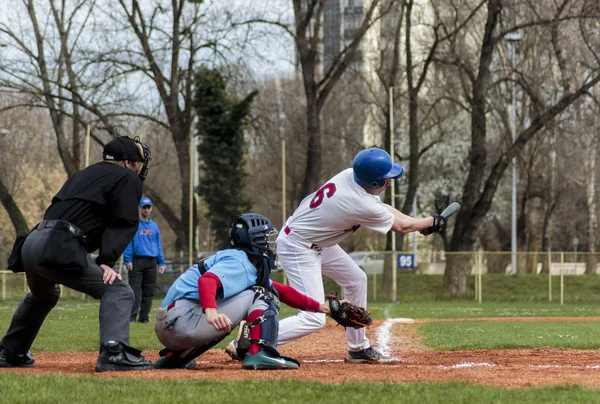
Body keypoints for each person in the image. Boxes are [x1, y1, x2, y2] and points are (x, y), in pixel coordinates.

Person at [274, 148, 447, 363]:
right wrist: (430, 221)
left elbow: (383, 208)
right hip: (298, 246)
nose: (389, 182)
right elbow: (401, 227)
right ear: (373, 183)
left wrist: (419, 223)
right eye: (385, 179)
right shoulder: (358, 202)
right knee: (314, 317)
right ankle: (256, 339)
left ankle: (357, 348)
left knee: (356, 280)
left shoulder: (352, 177)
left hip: (317, 241)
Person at [0, 135, 155, 372]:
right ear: (126, 163)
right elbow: (124, 222)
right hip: (58, 242)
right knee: (119, 290)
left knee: (44, 295)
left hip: (32, 241)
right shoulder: (126, 177)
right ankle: (114, 352)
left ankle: (10, 351)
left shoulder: (83, 174)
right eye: (136, 164)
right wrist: (106, 260)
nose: (137, 169)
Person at [153, 213, 337, 370]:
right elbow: (207, 281)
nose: (268, 243)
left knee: (246, 303)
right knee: (262, 295)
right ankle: (259, 353)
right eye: (265, 238)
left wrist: (322, 308)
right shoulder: (240, 262)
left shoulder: (238, 260)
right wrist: (210, 312)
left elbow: (282, 290)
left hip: (169, 325)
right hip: (182, 321)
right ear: (254, 239)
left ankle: (175, 356)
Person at [124, 197, 166, 323]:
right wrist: (128, 260)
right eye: (144, 207)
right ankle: (132, 317)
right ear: (139, 208)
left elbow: (158, 245)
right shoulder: (134, 225)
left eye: (148, 207)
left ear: (151, 208)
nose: (146, 210)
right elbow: (128, 243)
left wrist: (161, 262)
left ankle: (144, 318)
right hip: (137, 261)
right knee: (134, 292)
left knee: (148, 292)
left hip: (151, 262)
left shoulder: (154, 227)